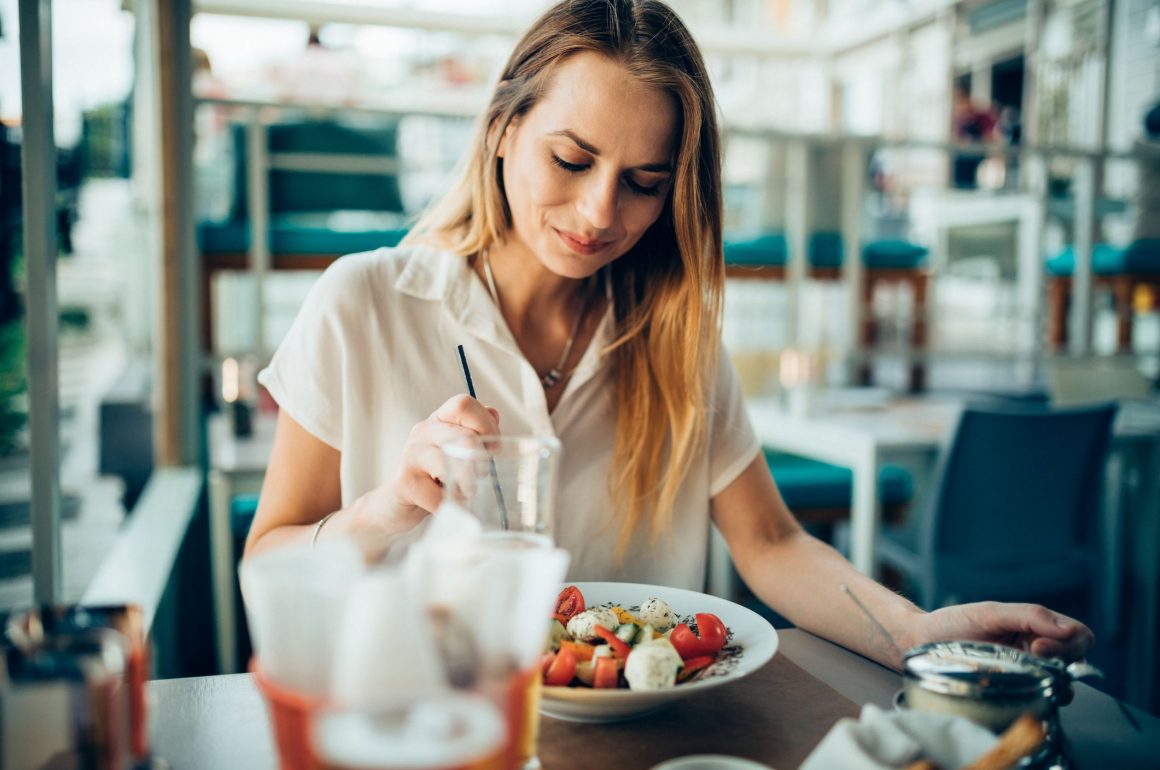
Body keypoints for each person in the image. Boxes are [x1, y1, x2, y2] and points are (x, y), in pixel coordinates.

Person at [244, 0, 1093, 671]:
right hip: (434, 726)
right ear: (503, 129)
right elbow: (270, 563)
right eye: (571, 161)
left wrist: (918, 633)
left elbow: (771, 542)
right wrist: (386, 509)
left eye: (645, 182)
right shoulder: (364, 301)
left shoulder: (672, 335)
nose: (600, 213)